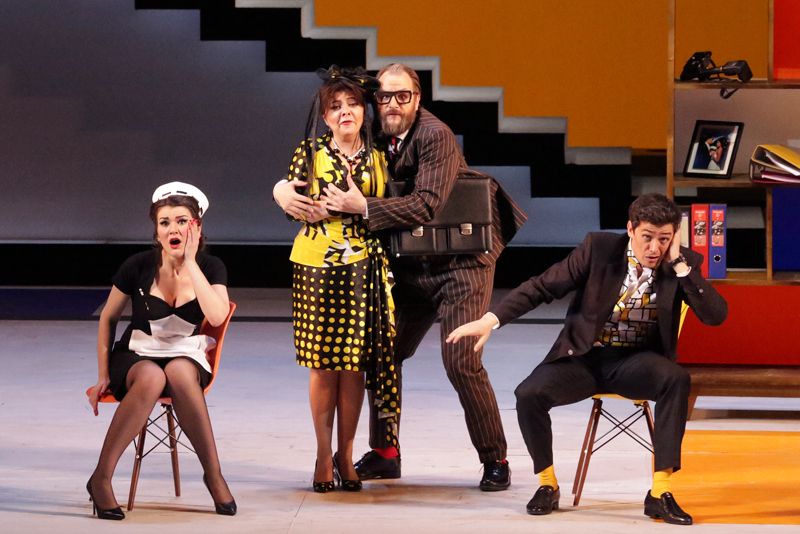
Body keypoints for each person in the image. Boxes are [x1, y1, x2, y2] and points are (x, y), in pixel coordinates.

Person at [280, 63, 526, 490]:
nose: (392, 104)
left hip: (460, 263)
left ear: (418, 98)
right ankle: (385, 452)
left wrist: (363, 207)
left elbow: (427, 204)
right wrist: (281, 190)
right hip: (412, 262)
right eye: (384, 96)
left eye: (403, 96)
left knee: (461, 360)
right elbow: (326, 155)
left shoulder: (435, 135)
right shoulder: (374, 128)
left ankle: (495, 458)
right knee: (380, 351)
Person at [447, 193, 727, 524]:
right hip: (584, 358)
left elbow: (715, 316)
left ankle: (659, 493)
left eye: (664, 239)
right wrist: (491, 320)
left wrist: (679, 263)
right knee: (529, 394)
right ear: (631, 229)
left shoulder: (681, 264)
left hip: (636, 362)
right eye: (647, 237)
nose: (655, 248)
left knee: (676, 380)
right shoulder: (599, 249)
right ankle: (548, 485)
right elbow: (541, 287)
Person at [273, 66, 398, 493]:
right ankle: (323, 454)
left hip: (363, 265)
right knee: (323, 366)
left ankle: (347, 454)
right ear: (325, 117)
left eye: (352, 104)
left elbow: (387, 210)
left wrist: (358, 206)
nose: (345, 112)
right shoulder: (309, 152)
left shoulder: (379, 156)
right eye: (335, 107)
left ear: (364, 111)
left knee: (354, 367)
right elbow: (293, 205)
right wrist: (290, 199)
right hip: (315, 266)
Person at [87, 182, 235, 520]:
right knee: (153, 377)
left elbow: (216, 316)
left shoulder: (211, 267)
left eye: (182, 221)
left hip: (186, 353)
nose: (173, 229)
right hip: (137, 354)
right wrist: (103, 374)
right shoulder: (137, 265)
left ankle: (214, 476)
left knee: (179, 372)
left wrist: (191, 263)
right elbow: (108, 318)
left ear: (196, 227)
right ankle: (101, 479)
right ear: (156, 231)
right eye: (164, 222)